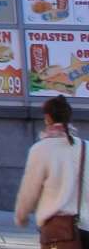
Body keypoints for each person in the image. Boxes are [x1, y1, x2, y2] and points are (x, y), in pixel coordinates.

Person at [15, 95, 88, 243]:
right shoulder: (86, 147)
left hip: (58, 232)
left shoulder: (41, 149)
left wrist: (21, 216)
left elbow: (30, 189)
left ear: (47, 118)